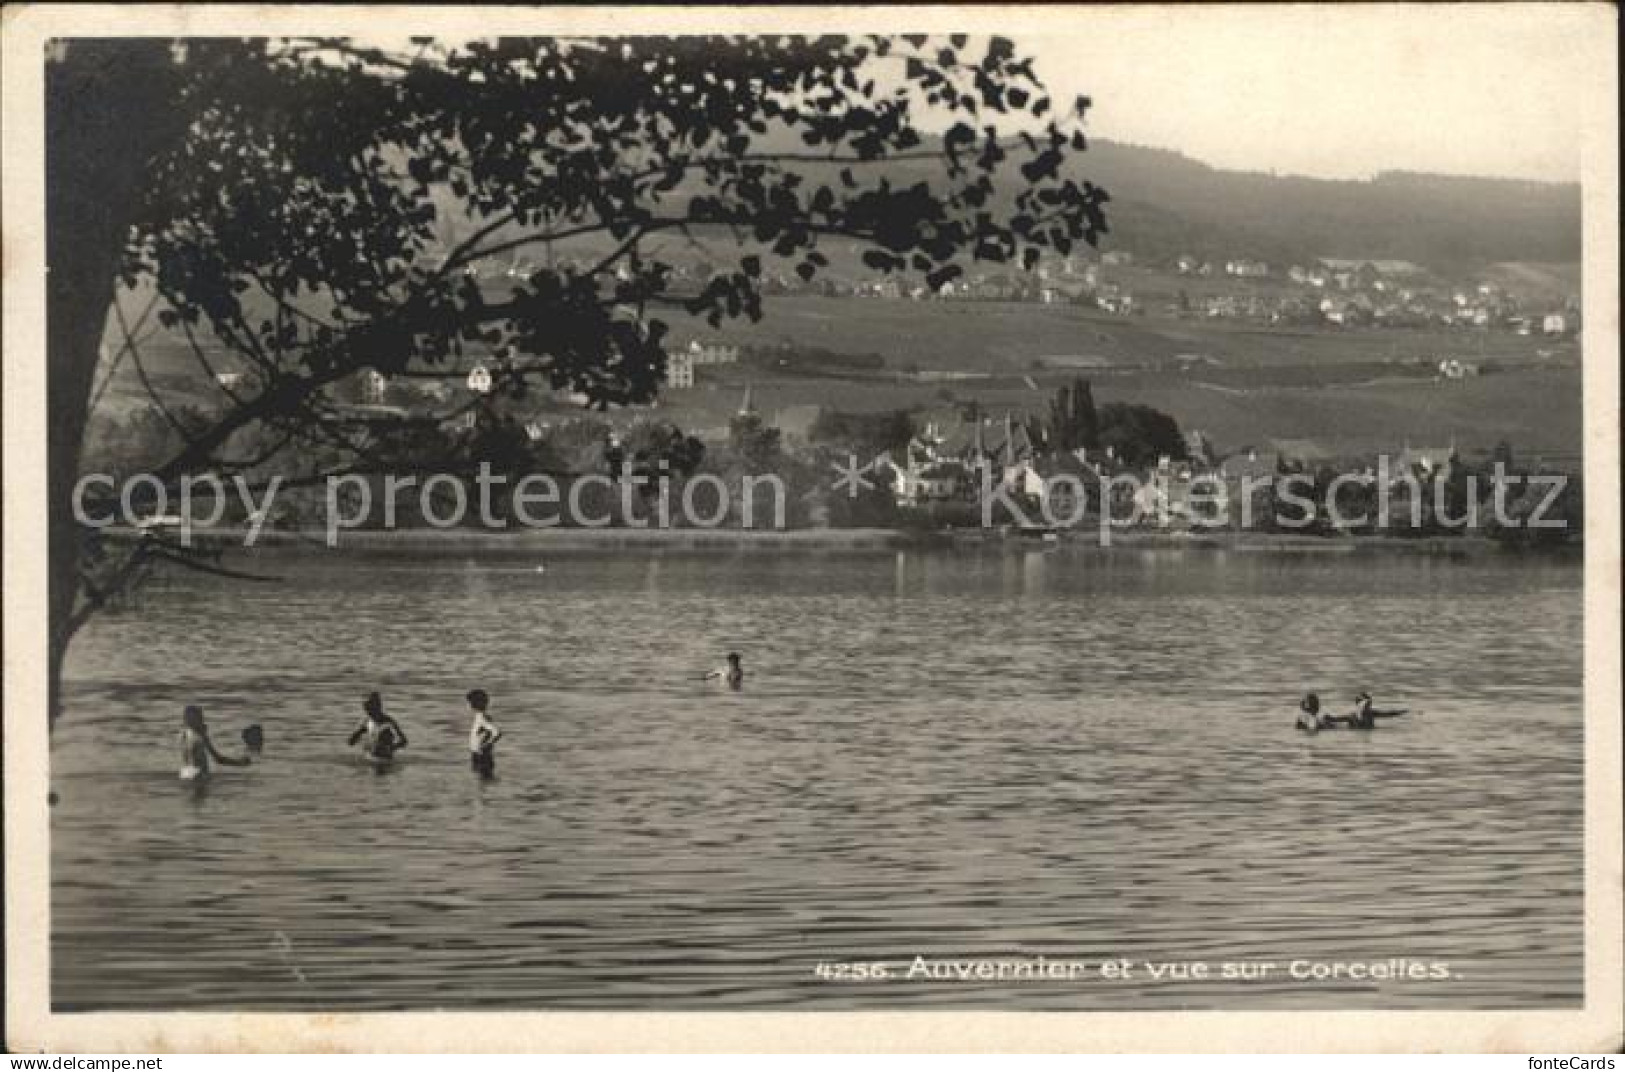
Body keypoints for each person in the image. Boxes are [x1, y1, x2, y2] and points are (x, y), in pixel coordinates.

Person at [178, 705, 251, 780]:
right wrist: (239, 763)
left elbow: (189, 758)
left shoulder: (183, 735)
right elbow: (218, 759)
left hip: (184, 774)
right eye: (201, 718)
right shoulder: (200, 737)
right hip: (199, 775)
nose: (203, 720)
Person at [348, 692, 408, 766]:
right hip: (370, 759)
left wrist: (391, 748)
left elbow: (404, 741)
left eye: (371, 708)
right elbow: (351, 741)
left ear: (379, 707)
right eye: (367, 709)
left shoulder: (389, 722)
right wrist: (355, 739)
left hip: (385, 761)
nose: (368, 712)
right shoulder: (367, 722)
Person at [466, 689, 502, 778]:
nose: (468, 705)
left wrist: (486, 745)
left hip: (482, 755)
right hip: (479, 754)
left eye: (469, 703)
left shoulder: (482, 717)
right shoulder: (480, 716)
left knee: (484, 779)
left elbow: (497, 733)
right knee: (483, 780)